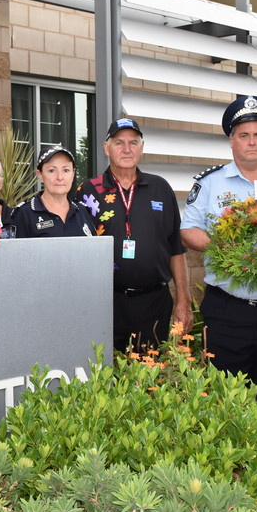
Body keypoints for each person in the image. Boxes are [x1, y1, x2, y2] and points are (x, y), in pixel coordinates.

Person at [181, 96, 257, 414]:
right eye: (244, 135)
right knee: (227, 402)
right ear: (232, 140)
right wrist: (222, 248)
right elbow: (188, 230)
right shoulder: (209, 184)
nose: (252, 142)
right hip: (228, 312)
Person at [77, 118, 191, 354]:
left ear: (142, 147)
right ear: (106, 148)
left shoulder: (160, 188)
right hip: (105, 303)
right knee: (105, 376)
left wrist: (183, 300)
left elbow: (176, 250)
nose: (126, 149)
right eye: (119, 142)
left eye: (133, 142)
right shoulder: (89, 190)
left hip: (154, 303)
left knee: (151, 379)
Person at [11, 146, 94, 238]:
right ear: (40, 175)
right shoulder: (24, 214)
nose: (60, 177)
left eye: (66, 170)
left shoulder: (82, 211)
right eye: (52, 171)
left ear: (73, 174)